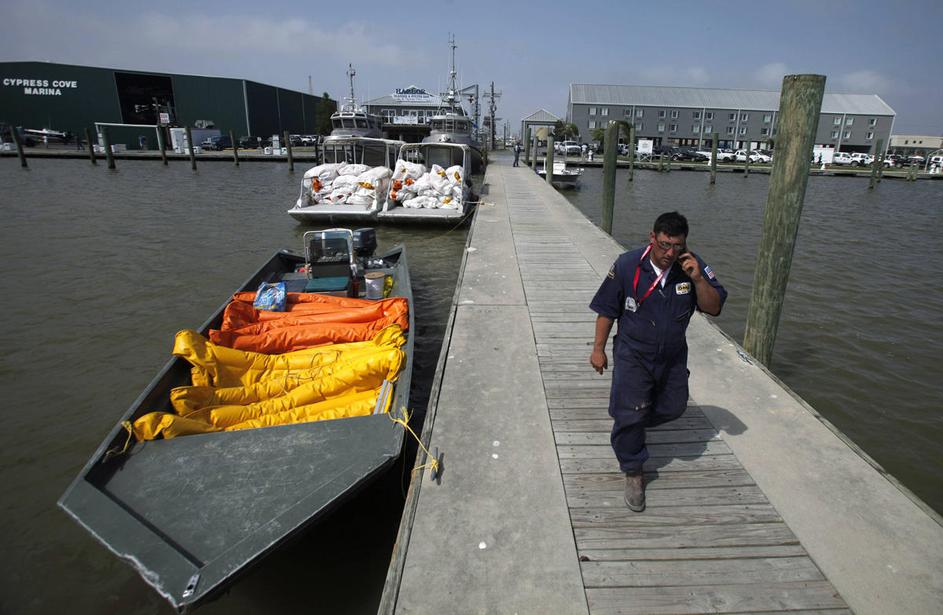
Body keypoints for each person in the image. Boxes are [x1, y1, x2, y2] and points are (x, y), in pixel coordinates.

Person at [589, 211, 727, 512]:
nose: (670, 253)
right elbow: (606, 310)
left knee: (674, 406)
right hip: (633, 353)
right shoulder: (627, 265)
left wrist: (697, 279)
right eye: (664, 244)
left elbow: (714, 307)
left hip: (672, 355)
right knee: (632, 413)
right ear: (652, 237)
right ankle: (633, 469)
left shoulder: (691, 266)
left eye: (677, 246)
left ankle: (629, 418)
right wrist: (598, 349)